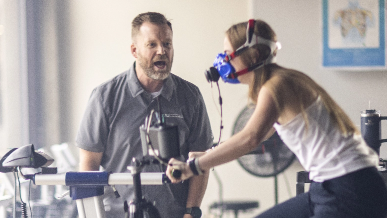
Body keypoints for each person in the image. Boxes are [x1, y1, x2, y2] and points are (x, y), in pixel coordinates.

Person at [167, 19, 387, 218]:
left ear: (253, 55)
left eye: (227, 52)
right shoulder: (281, 80)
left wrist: (194, 166)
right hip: (331, 186)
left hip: (348, 187)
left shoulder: (276, 86)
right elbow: (259, 135)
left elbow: (250, 138)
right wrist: (209, 155)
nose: (222, 60)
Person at [76, 12, 213, 218]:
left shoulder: (190, 97)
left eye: (167, 44)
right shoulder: (105, 97)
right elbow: (88, 164)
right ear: (134, 50)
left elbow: (201, 160)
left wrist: (190, 212)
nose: (162, 51)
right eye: (152, 45)